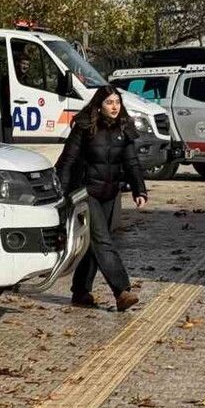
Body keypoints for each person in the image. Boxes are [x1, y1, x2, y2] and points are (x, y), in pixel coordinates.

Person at [55, 85, 148, 312]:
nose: (114, 107)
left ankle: (80, 291)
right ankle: (121, 291)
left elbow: (131, 162)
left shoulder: (124, 128)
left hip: (109, 193)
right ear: (99, 105)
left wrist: (139, 190)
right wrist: (61, 194)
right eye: (109, 103)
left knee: (93, 244)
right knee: (103, 241)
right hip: (86, 192)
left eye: (117, 102)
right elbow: (67, 160)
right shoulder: (84, 127)